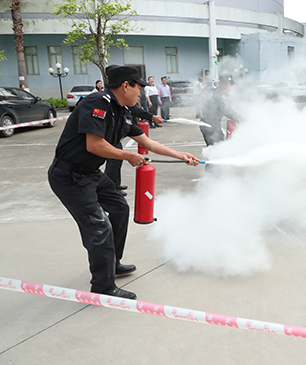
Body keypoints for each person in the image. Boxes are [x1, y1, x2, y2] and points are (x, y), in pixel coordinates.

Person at [47, 65, 200, 299]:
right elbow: (94, 144)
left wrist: (181, 155)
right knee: (99, 227)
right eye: (139, 88)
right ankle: (103, 288)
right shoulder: (97, 103)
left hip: (89, 173)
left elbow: (147, 142)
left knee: (119, 208)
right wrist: (128, 155)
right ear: (125, 86)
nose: (140, 94)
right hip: (69, 176)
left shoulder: (123, 110)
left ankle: (112, 263)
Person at [199, 74, 243, 146]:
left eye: (231, 84)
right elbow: (227, 111)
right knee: (216, 148)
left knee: (219, 145)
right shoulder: (219, 95)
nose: (230, 87)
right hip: (209, 125)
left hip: (213, 124)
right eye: (227, 84)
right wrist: (242, 120)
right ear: (221, 84)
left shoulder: (222, 93)